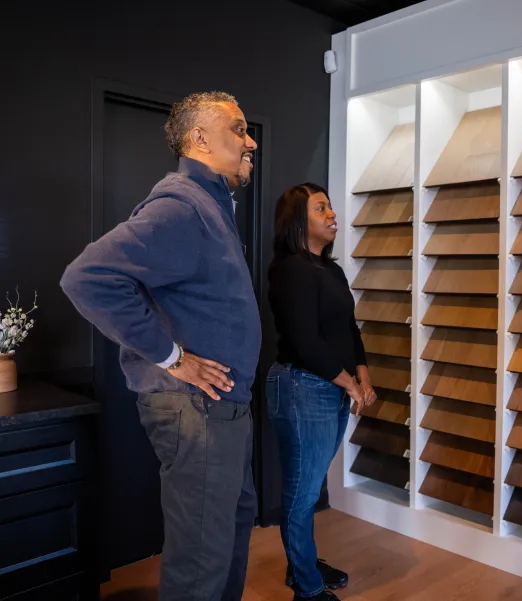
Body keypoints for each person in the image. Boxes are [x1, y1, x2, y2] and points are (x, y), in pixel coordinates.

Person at [61, 91, 261, 601]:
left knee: (229, 532)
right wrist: (173, 358)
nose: (249, 141)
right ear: (198, 139)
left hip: (223, 407)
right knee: (201, 560)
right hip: (198, 410)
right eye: (237, 130)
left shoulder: (212, 206)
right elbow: (87, 277)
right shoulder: (183, 205)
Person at [266, 183, 376, 601]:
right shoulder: (290, 268)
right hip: (301, 386)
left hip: (330, 388)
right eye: (321, 208)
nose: (332, 214)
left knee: (309, 487)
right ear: (298, 220)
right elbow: (305, 341)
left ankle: (304, 565)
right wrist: (351, 385)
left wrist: (363, 379)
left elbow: (348, 331)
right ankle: (307, 589)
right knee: (302, 490)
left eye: (330, 207)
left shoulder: (331, 270)